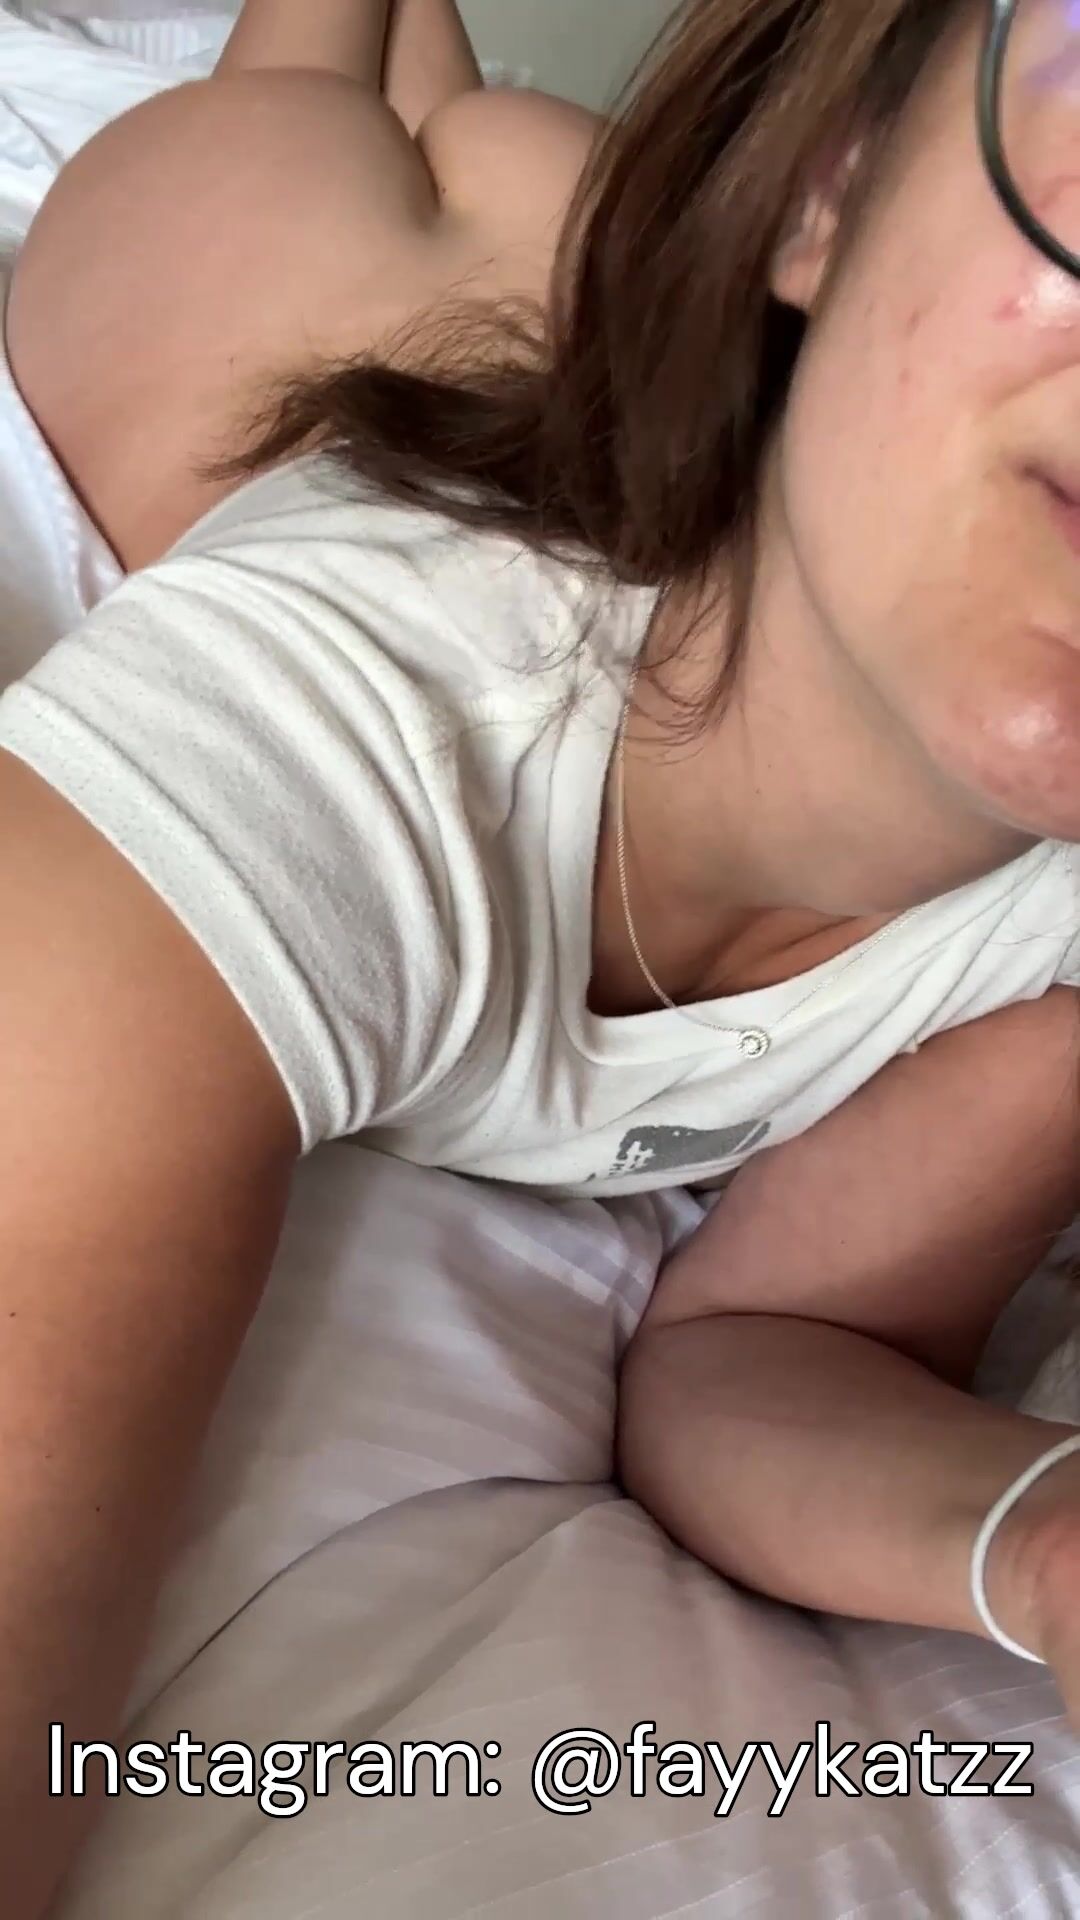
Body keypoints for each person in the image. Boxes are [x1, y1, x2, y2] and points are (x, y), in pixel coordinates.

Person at [4, 0, 1080, 1907]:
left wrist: (1035, 1539)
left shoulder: (1049, 951)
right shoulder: (322, 734)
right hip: (251, 311)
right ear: (829, 178)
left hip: (608, 348)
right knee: (314, 127)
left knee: (509, 171)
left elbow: (777, 1345)